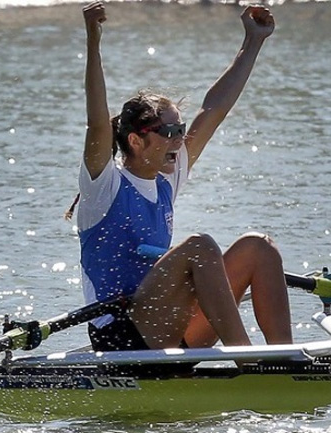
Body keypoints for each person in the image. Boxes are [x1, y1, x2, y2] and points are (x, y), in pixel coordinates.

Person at [72, 1, 292, 353]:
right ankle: (248, 360)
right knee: (199, 246)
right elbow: (97, 123)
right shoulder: (104, 187)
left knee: (258, 247)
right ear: (136, 141)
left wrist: (253, 42)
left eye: (181, 128)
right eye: (170, 131)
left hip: (168, 324)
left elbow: (214, 108)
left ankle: (285, 363)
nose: (180, 138)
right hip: (120, 335)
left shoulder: (166, 180)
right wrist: (93, 42)